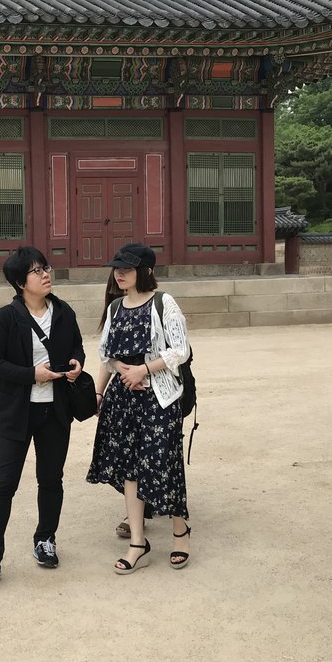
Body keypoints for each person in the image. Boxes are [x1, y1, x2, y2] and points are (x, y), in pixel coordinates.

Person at [0, 247, 85, 579]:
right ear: (20, 283)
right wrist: (32, 374)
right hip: (15, 412)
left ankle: (46, 539)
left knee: (50, 479)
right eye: (36, 271)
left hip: (55, 410)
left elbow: (77, 346)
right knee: (3, 482)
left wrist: (77, 363)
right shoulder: (6, 317)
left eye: (45, 267)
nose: (45, 274)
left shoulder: (64, 312)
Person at [86, 243, 192, 574]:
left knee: (163, 463)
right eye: (117, 268)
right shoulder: (116, 307)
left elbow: (180, 351)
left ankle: (180, 531)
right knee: (130, 468)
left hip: (158, 398)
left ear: (145, 271)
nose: (119, 274)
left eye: (127, 269)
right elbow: (105, 353)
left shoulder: (164, 303)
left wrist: (143, 370)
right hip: (123, 398)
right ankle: (137, 542)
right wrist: (118, 374)